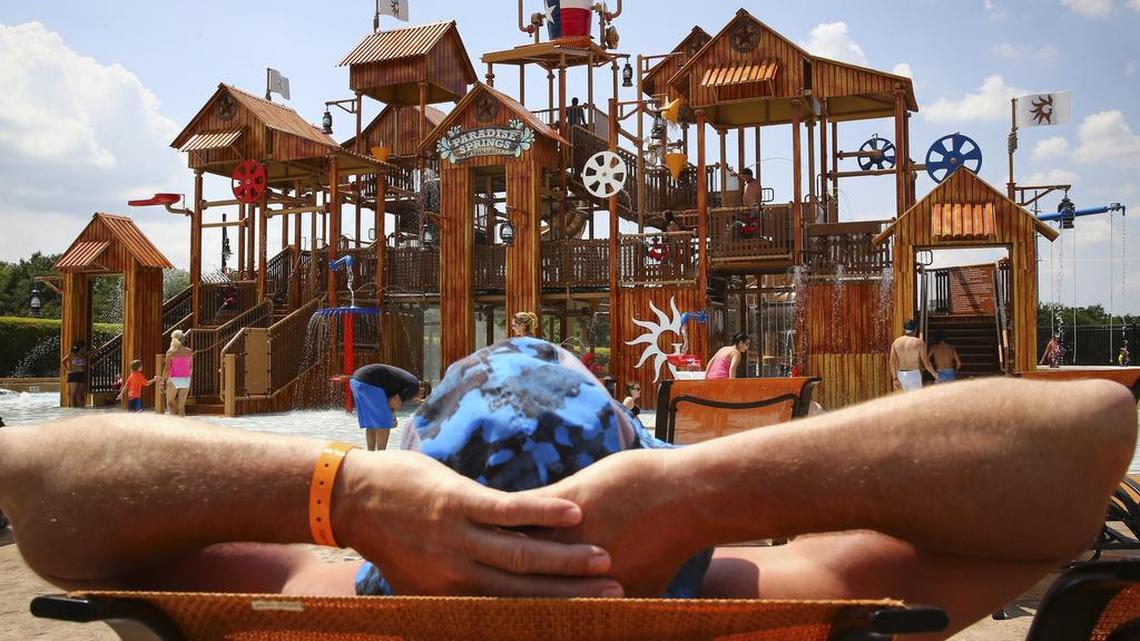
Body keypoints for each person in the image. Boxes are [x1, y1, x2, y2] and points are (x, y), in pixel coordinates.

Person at [0, 340, 1134, 641]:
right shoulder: (770, 600)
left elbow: (40, 474)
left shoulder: (310, 596)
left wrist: (348, 498)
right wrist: (694, 491)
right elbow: (1089, 436)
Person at [349, 363, 419, 452]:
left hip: (356, 381)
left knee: (372, 423)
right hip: (370, 382)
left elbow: (391, 400)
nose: (420, 400)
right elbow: (393, 402)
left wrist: (392, 415)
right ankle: (381, 455)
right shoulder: (415, 387)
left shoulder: (405, 381)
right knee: (384, 423)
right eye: (424, 396)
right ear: (422, 390)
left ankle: (370, 454)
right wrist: (392, 418)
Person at [889, 320, 937, 391]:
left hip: (901, 375)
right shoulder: (919, 343)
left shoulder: (896, 342)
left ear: (904, 330)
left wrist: (895, 378)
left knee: (903, 400)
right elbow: (926, 363)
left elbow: (892, 362)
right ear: (915, 330)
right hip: (914, 375)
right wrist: (935, 375)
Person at [162, 330, 194, 417]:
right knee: (181, 407)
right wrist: (188, 378)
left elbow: (167, 368)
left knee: (170, 403)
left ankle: (173, 425)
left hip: (173, 379)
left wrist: (162, 381)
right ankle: (182, 426)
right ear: (183, 339)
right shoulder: (189, 351)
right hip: (186, 380)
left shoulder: (170, 352)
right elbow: (191, 368)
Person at [61, 341, 91, 408]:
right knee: (73, 393)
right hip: (73, 375)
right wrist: (68, 370)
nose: (85, 348)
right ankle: (73, 408)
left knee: (80, 392)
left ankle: (81, 407)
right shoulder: (72, 354)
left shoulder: (84, 354)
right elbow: (63, 361)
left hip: (81, 374)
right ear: (81, 348)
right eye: (84, 347)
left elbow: (94, 351)